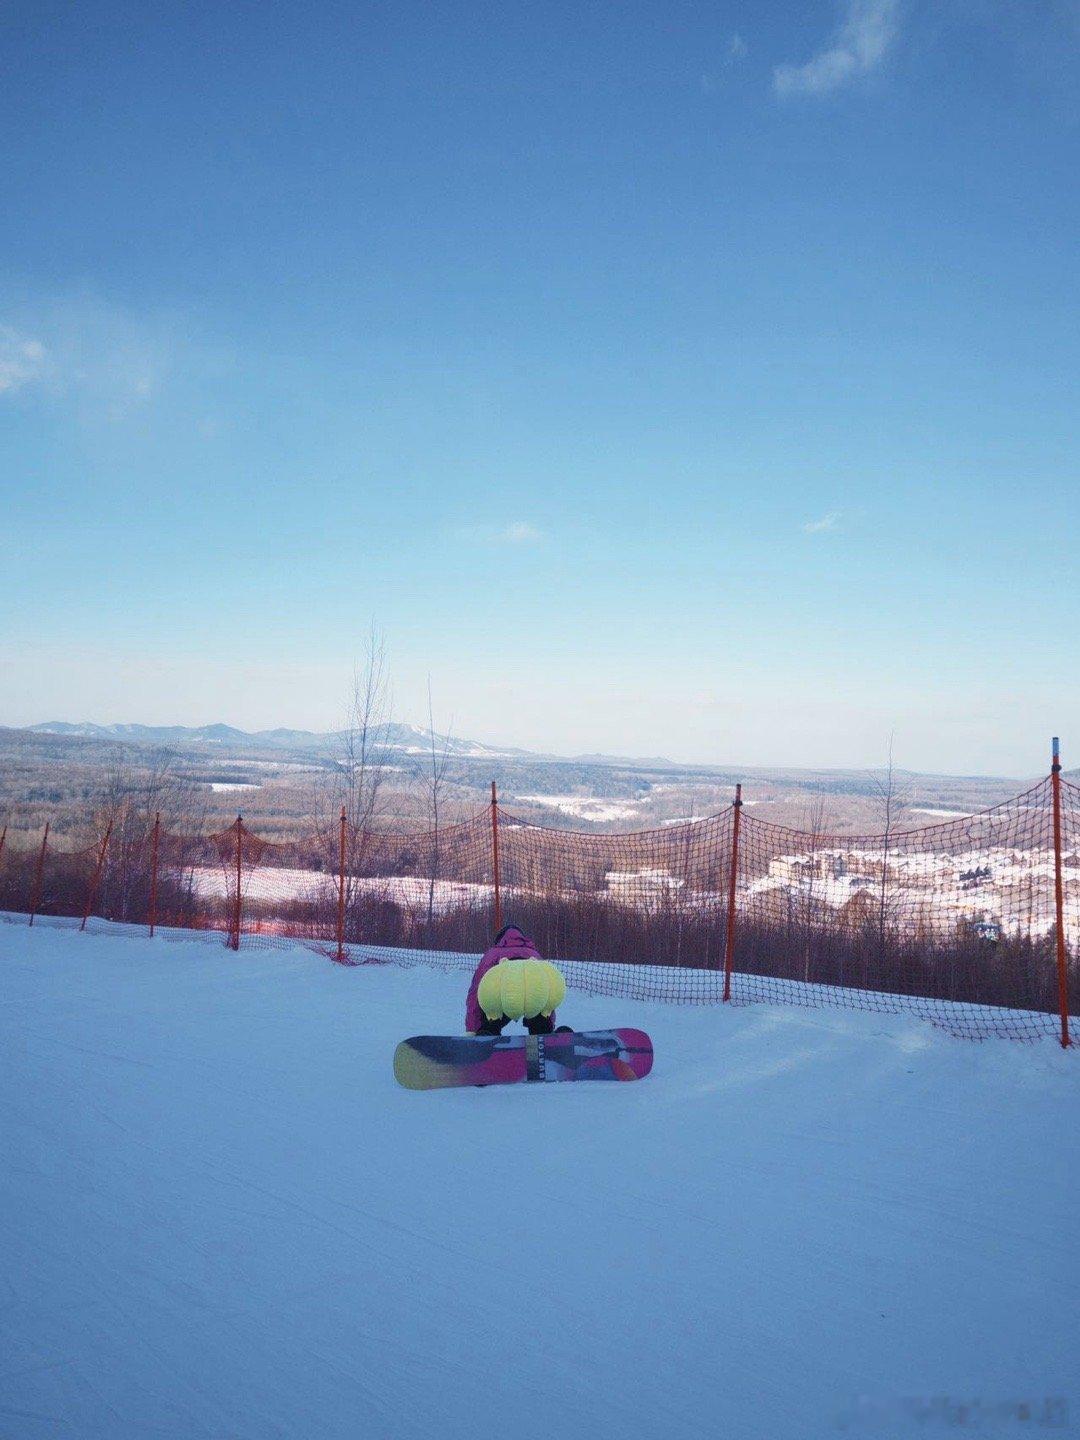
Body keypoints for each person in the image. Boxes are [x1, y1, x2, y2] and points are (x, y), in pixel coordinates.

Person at [465, 923, 568, 1036]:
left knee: (492, 1012)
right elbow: (547, 990)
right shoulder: (533, 954)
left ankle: (488, 1034)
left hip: (503, 995)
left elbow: (476, 992)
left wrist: (473, 1029)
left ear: (500, 939)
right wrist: (549, 1021)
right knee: (538, 1004)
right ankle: (544, 1034)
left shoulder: (492, 954)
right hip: (532, 995)